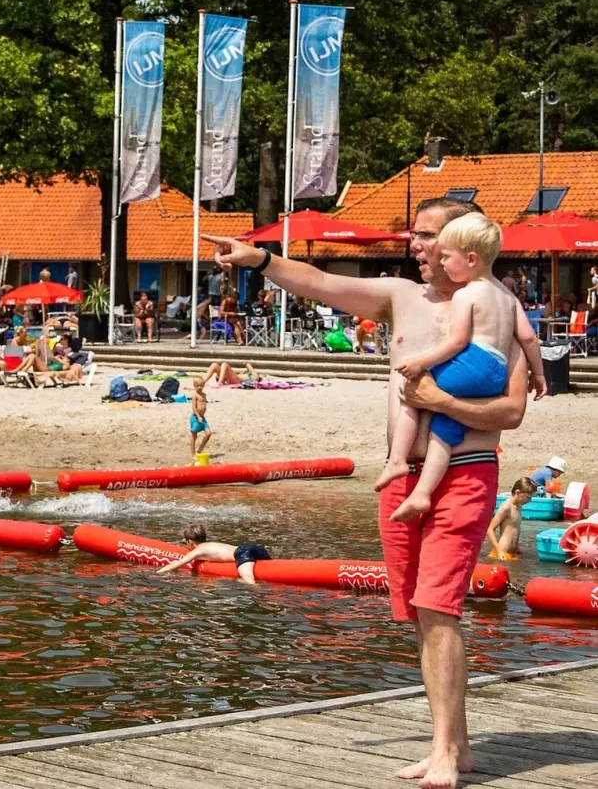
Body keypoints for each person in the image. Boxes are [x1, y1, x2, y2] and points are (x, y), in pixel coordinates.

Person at [203, 194, 530, 789]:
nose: (416, 244)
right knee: (419, 613)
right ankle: (453, 743)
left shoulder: (496, 310)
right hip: (400, 474)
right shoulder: (401, 297)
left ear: (465, 243)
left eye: (428, 235)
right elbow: (322, 282)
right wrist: (258, 261)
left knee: (439, 608)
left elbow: (511, 410)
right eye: (416, 234)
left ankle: (446, 755)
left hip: (466, 469)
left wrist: (440, 403)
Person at [381, 213, 546, 523]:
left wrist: (420, 363)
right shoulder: (508, 297)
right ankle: (423, 493)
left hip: (472, 361)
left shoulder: (466, 294)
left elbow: (456, 343)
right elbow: (528, 337)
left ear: (470, 259)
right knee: (446, 428)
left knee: (412, 391)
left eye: (446, 257)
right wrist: (537, 375)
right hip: (496, 372)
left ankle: (398, 460)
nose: (442, 264)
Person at [156, 524, 272, 585]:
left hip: (242, 553)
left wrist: (159, 572)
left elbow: (178, 563)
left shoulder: (198, 550)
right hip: (251, 548)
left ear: (190, 542)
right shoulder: (210, 544)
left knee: (249, 582)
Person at [486, 477, 539, 561]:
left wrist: (516, 547)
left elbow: (514, 529)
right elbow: (490, 529)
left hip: (512, 553)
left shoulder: (519, 506)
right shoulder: (506, 507)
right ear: (517, 492)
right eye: (528, 497)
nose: (530, 500)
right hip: (502, 554)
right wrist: (498, 551)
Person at [189, 374, 212, 460]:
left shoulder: (204, 395)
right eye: (197, 386)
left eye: (201, 385)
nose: (199, 387)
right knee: (194, 436)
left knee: (208, 433)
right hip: (196, 417)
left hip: (202, 418)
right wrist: (198, 416)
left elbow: (203, 404)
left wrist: (201, 416)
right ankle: (193, 454)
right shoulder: (194, 395)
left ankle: (200, 450)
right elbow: (194, 407)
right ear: (194, 386)